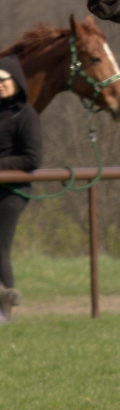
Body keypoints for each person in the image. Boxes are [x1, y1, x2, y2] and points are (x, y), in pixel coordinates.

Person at [0, 56, 42, 321]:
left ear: (15, 82)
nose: (0, 86)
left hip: (12, 193)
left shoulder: (26, 115)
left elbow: (32, 158)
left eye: (4, 81)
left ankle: (6, 307)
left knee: (0, 247)